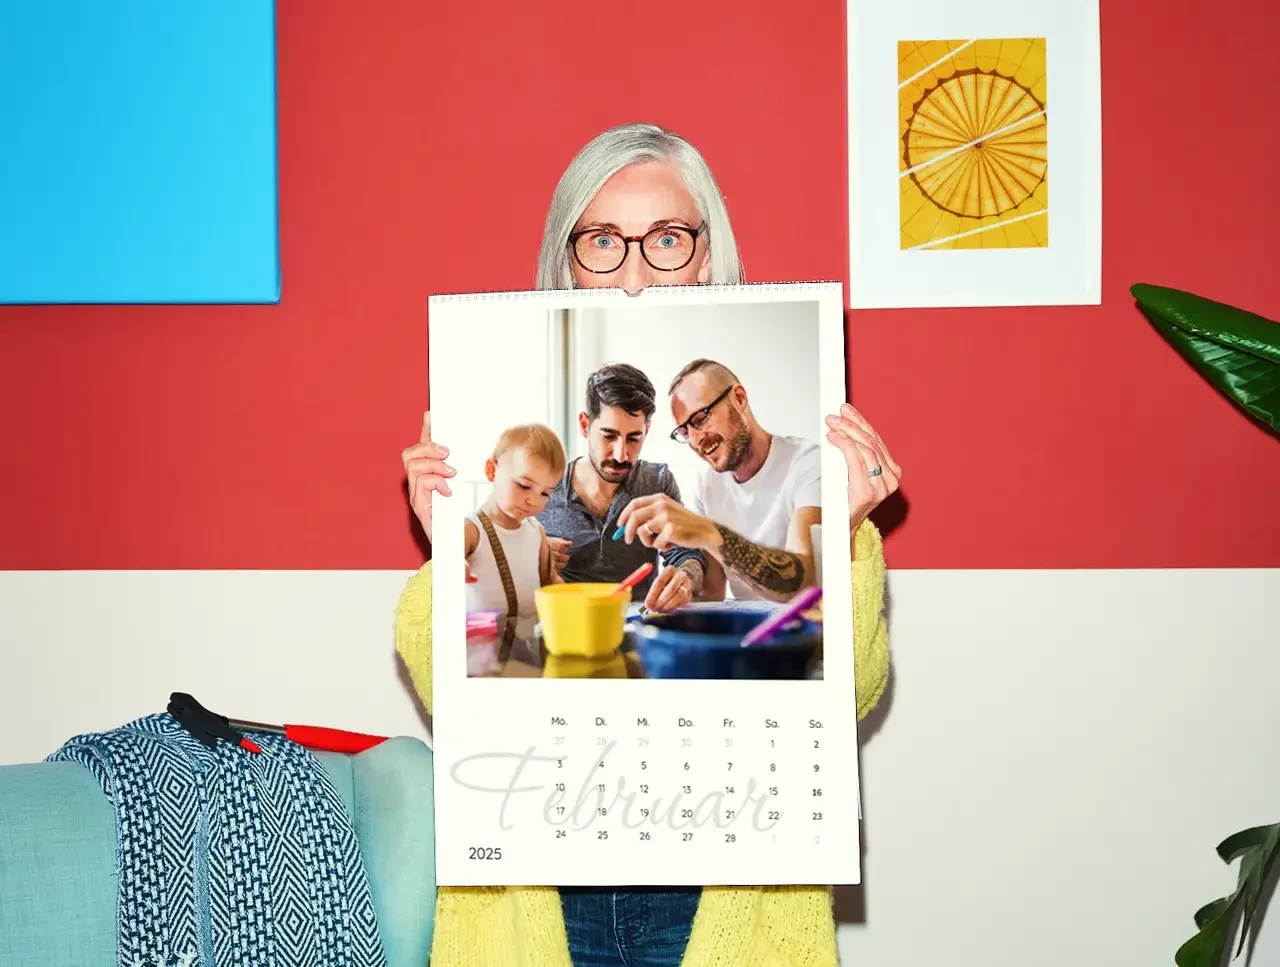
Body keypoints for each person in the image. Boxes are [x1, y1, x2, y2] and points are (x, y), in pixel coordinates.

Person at [397, 122, 902, 967]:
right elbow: (443, 672)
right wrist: (454, 543)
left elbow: (850, 686)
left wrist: (843, 539)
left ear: (710, 258)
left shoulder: (710, 476)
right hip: (541, 856)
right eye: (602, 242)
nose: (634, 275)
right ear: (566, 263)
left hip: (716, 864)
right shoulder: (526, 485)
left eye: (667, 240)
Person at [617, 357, 821, 604]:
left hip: (809, 633)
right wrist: (684, 586)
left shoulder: (809, 463)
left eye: (701, 419)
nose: (695, 440)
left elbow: (800, 584)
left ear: (739, 398)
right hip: (748, 634)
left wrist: (708, 532)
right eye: (684, 432)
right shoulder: (707, 483)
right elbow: (712, 593)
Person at [539, 362, 708, 613]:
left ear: (647, 430)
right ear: (585, 425)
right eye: (609, 436)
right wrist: (536, 553)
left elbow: (686, 554)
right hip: (567, 626)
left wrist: (685, 580)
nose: (621, 455)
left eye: (634, 438)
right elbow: (499, 551)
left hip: (638, 630)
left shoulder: (657, 483)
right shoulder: (544, 485)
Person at [464, 423, 566, 618]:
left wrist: (577, 600)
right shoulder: (471, 529)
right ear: (492, 471)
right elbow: (440, 566)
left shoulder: (537, 532)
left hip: (528, 643)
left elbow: (549, 581)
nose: (534, 501)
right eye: (524, 485)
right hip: (481, 644)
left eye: (545, 493)